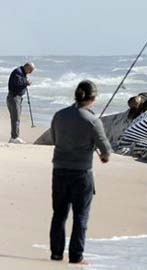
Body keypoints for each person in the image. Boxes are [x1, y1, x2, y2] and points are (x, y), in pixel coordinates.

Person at [49, 80, 112, 264]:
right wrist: (103, 157)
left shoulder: (59, 115)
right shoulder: (93, 120)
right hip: (81, 174)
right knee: (80, 216)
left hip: (59, 171)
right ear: (93, 98)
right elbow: (106, 149)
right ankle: (76, 256)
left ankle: (56, 253)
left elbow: (55, 138)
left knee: (59, 214)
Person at [7, 62, 35, 143]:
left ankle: (14, 137)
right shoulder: (18, 72)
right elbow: (18, 83)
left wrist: (25, 81)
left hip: (16, 97)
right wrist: (26, 82)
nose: (30, 72)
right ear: (27, 67)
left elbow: (20, 82)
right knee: (15, 118)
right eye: (30, 70)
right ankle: (14, 137)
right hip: (14, 97)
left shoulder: (22, 72)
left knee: (16, 118)